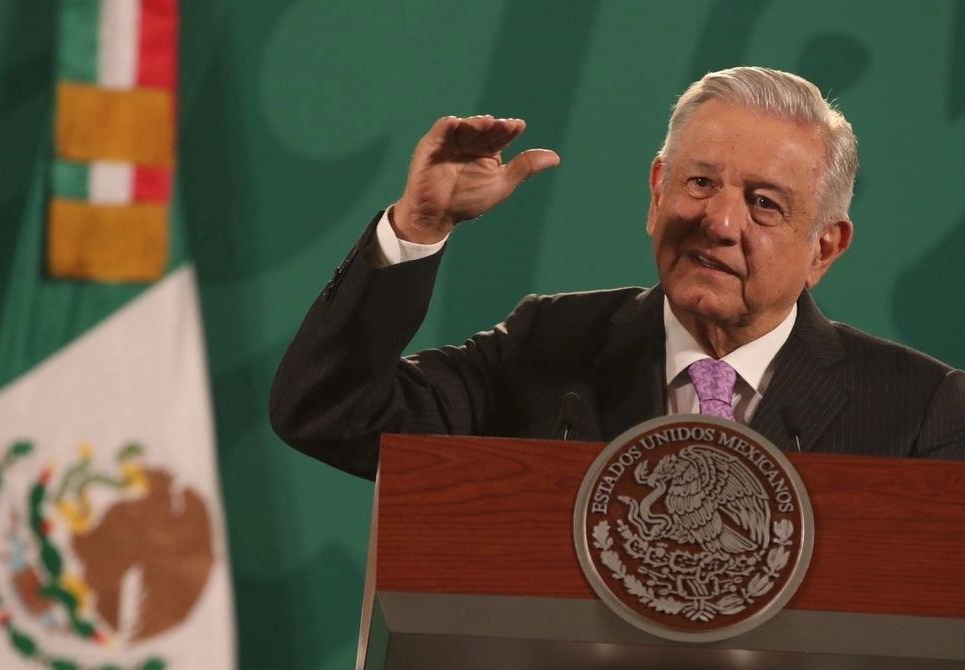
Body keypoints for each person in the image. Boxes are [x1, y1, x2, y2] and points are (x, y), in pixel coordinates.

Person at [270, 66, 965, 480]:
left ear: (824, 248)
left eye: (763, 203)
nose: (720, 222)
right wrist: (419, 225)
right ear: (657, 191)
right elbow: (332, 413)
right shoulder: (543, 348)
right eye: (699, 183)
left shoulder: (919, 410)